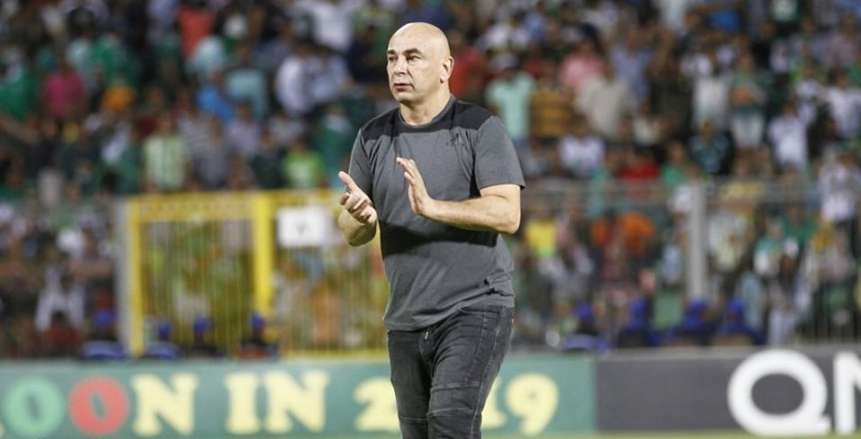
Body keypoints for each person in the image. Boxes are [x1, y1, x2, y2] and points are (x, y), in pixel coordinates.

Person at [336, 22, 524, 439]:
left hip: (475, 307)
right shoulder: (372, 137)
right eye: (392, 58)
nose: (398, 68)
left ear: (445, 68)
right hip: (405, 318)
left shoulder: (480, 127)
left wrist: (434, 207)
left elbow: (508, 213)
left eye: (412, 57)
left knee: (449, 423)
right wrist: (359, 218)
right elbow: (350, 229)